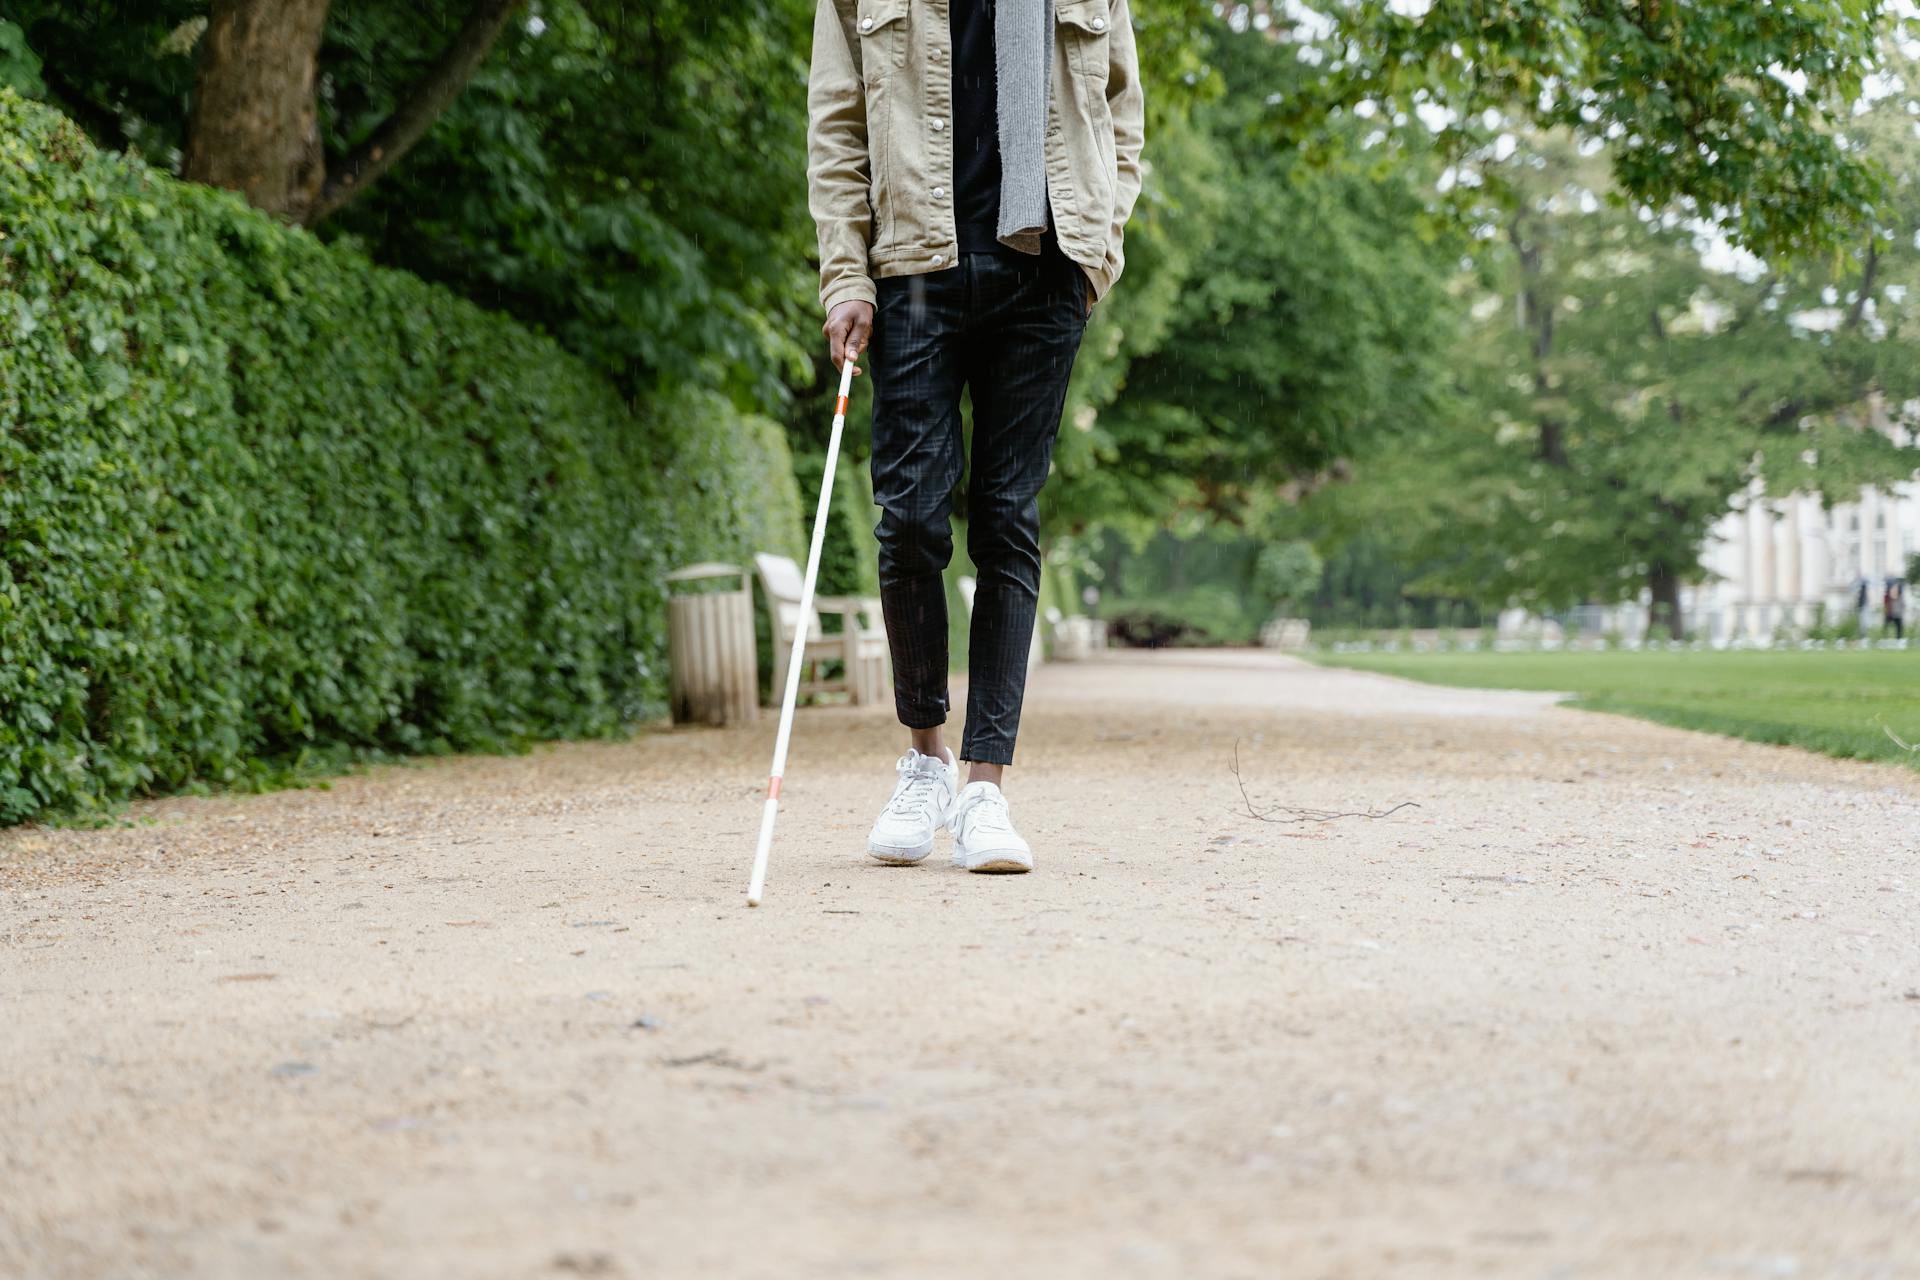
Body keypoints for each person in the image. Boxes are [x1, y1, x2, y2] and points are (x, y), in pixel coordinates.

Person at [806, 0, 1143, 873]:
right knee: (911, 519)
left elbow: (1120, 108)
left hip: (1044, 269)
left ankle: (986, 787)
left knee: (1006, 519)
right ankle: (925, 761)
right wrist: (846, 273)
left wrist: (1098, 249)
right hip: (915, 267)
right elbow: (836, 123)